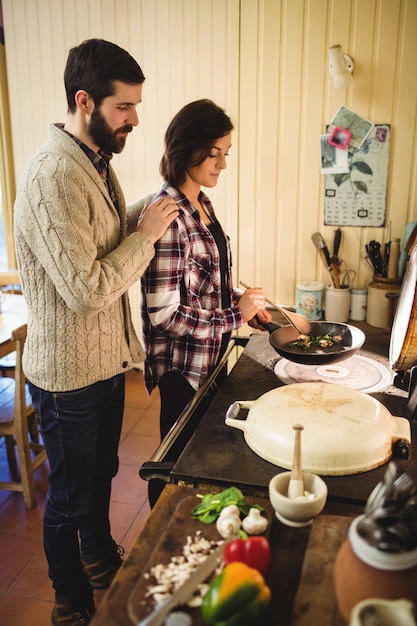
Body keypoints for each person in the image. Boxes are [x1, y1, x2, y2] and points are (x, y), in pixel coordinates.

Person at [13, 38, 179, 626]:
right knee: (68, 498)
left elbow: (104, 237)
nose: (136, 118)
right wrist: (149, 234)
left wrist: (156, 205)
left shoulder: (92, 161)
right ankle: (70, 599)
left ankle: (100, 556)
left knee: (102, 475)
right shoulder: (52, 176)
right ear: (85, 101)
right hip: (69, 378)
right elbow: (87, 288)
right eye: (124, 107)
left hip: (105, 366)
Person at [141, 99, 271, 505]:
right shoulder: (167, 215)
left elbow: (205, 286)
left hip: (209, 358)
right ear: (186, 147)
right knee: (174, 466)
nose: (222, 164)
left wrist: (246, 305)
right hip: (183, 369)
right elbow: (164, 314)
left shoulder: (203, 205)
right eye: (214, 153)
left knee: (198, 463)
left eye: (225, 153)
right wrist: (235, 314)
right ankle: (157, 546)